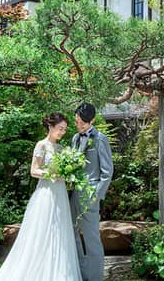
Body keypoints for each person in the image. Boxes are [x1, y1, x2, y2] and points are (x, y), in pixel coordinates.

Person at [0, 112, 81, 281]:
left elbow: (64, 170)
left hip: (60, 193)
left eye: (64, 129)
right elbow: (34, 171)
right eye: (60, 128)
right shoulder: (41, 145)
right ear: (51, 126)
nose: (62, 132)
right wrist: (51, 175)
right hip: (46, 194)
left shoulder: (62, 149)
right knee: (42, 230)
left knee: (60, 231)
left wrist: (67, 175)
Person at [70, 103, 113, 281]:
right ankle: (82, 274)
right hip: (73, 196)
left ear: (92, 120)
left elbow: (107, 171)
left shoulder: (100, 139)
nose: (78, 125)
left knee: (92, 239)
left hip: (90, 196)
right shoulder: (74, 138)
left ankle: (95, 278)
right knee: (72, 236)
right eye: (76, 121)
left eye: (81, 123)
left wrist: (96, 196)